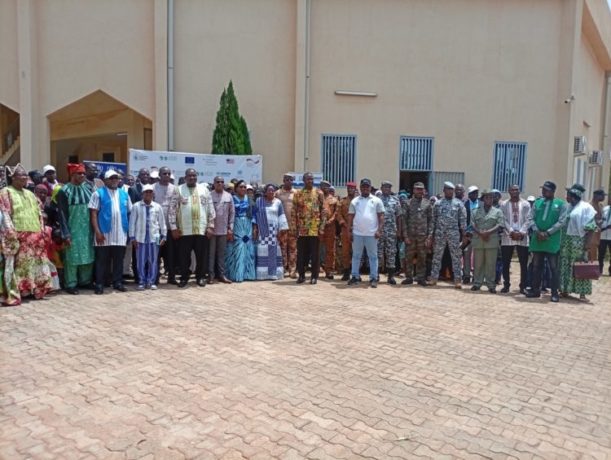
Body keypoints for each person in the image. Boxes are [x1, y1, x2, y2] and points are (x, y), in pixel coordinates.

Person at [0, 164, 53, 306]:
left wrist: (41, 230)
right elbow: (5, 214)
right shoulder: (5, 192)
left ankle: (34, 290)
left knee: (34, 266)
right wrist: (11, 233)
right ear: (13, 178)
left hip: (35, 237)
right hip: (18, 237)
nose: (24, 179)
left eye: (25, 176)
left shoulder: (30, 194)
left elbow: (39, 213)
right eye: (21, 176)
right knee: (19, 266)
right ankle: (17, 291)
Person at [168, 168, 215, 288]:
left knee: (202, 256)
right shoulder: (178, 189)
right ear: (185, 177)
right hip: (184, 230)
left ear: (196, 177)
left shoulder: (204, 189)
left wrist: (210, 226)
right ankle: (184, 277)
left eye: (194, 175)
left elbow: (210, 208)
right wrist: (173, 227)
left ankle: (200, 277)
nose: (192, 177)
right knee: (184, 257)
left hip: (201, 229)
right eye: (189, 175)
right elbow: (172, 210)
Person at [89, 169, 132, 295]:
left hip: (120, 233)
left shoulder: (124, 194)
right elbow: (93, 214)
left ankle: (118, 282)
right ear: (105, 180)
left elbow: (129, 212)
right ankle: (100, 284)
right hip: (104, 234)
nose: (114, 180)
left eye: (116, 178)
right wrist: (97, 232)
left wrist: (128, 232)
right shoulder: (98, 193)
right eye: (111, 178)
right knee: (102, 261)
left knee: (119, 260)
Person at [56, 163, 95, 295]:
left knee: (88, 256)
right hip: (73, 230)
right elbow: (62, 214)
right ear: (72, 174)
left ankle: (85, 281)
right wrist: (65, 234)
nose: (82, 175)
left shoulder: (89, 188)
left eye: (83, 173)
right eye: (79, 173)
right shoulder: (64, 191)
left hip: (88, 230)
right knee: (72, 257)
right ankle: (70, 283)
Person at [526, 181, 567, 302]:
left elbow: (562, 221)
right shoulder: (537, 202)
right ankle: (535, 290)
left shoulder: (561, 204)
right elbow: (530, 218)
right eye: (543, 189)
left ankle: (554, 293)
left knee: (553, 267)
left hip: (552, 240)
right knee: (536, 266)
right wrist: (537, 231)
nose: (543, 192)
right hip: (537, 238)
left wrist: (548, 232)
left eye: (546, 190)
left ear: (552, 191)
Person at [559, 187, 597, 300]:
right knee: (566, 265)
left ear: (573, 197)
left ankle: (582, 292)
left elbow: (591, 227)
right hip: (566, 242)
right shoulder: (568, 207)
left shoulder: (586, 208)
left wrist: (588, 244)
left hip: (579, 242)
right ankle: (565, 289)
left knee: (580, 265)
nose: (566, 197)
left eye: (568, 195)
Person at [347, 178, 385, 288]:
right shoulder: (355, 201)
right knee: (356, 256)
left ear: (370, 187)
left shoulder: (377, 200)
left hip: (372, 234)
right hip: (357, 233)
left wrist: (379, 230)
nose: (365, 188)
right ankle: (355, 276)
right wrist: (349, 231)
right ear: (360, 187)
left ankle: (373, 278)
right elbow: (350, 217)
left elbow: (381, 217)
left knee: (373, 257)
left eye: (367, 186)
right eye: (363, 186)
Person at [129, 184, 167, 290]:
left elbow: (162, 223)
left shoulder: (157, 207)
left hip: (155, 238)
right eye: (146, 192)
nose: (148, 194)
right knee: (140, 261)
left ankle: (151, 281)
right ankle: (141, 281)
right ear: (142, 194)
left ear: (153, 194)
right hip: (140, 238)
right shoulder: (136, 206)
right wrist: (132, 238)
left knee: (153, 261)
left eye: (150, 192)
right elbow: (132, 223)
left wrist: (164, 236)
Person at [429, 182, 466, 288]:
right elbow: (433, 220)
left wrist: (464, 234)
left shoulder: (458, 204)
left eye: (451, 190)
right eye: (448, 189)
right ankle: (434, 278)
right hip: (440, 234)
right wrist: (431, 235)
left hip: (454, 234)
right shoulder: (437, 204)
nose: (450, 191)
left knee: (456, 257)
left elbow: (462, 220)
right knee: (437, 256)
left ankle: (458, 280)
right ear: (444, 190)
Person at [292, 172, 326, 285]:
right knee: (301, 254)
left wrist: (321, 228)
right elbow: (293, 211)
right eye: (308, 179)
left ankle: (314, 276)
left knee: (315, 254)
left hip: (314, 229)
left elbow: (323, 211)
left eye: (311, 179)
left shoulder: (319, 193)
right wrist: (294, 227)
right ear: (303, 180)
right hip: (302, 229)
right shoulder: (298, 194)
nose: (310, 181)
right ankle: (301, 275)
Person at [470, 189, 504, 293]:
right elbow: (472, 224)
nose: (489, 199)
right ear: (483, 199)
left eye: (491, 197)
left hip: (491, 240)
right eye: (487, 197)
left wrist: (488, 232)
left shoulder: (498, 211)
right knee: (478, 264)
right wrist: (480, 233)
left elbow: (500, 224)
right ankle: (477, 283)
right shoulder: (475, 211)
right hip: (479, 239)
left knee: (491, 264)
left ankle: (491, 284)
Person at [499, 184, 530, 294]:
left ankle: (523, 286)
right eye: (512, 190)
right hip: (508, 236)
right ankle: (506, 285)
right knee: (506, 263)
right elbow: (503, 219)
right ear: (509, 191)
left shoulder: (526, 204)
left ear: (519, 191)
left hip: (522, 236)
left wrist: (521, 232)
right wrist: (511, 231)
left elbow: (529, 219)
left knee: (523, 264)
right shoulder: (504, 204)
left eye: (516, 190)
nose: (514, 192)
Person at [253, 184, 289, 280]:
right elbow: (255, 215)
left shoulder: (278, 202)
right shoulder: (259, 201)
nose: (271, 192)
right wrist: (255, 228)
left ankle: (273, 273)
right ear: (265, 192)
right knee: (263, 251)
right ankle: (262, 274)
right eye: (269, 190)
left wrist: (281, 230)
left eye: (273, 190)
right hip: (262, 231)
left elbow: (281, 216)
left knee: (273, 251)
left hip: (274, 231)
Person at [401, 182, 432, 286]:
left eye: (421, 189)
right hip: (410, 236)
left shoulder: (427, 204)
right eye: (417, 189)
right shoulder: (408, 203)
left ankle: (420, 278)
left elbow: (431, 221)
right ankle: (409, 277)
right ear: (413, 190)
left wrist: (429, 236)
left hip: (422, 236)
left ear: (424, 191)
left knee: (422, 258)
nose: (419, 191)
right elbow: (404, 220)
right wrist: (405, 236)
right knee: (408, 257)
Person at [225, 180, 256, 282]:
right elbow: (228, 214)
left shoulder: (249, 199)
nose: (243, 189)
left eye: (244, 187)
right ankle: (237, 275)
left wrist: (254, 228)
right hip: (236, 225)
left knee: (248, 248)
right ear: (236, 189)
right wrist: (229, 228)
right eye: (241, 187)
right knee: (237, 248)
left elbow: (254, 214)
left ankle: (248, 274)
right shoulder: (232, 199)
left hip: (248, 225)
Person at [208, 176, 234, 284]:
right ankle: (210, 276)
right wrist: (208, 228)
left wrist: (230, 228)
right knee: (211, 254)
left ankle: (221, 275)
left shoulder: (228, 196)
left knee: (221, 254)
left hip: (223, 230)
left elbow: (232, 213)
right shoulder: (209, 195)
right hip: (212, 230)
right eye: (217, 182)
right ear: (214, 183)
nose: (220, 183)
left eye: (222, 182)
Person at [153, 166, 177, 284]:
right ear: (159, 175)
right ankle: (155, 277)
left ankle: (171, 277)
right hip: (156, 228)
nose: (167, 175)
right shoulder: (153, 187)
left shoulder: (175, 189)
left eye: (168, 173)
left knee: (171, 254)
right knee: (156, 254)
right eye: (164, 173)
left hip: (170, 228)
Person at [377, 181, 401, 284]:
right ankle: (376, 275)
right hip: (379, 231)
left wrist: (399, 230)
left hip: (391, 231)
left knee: (391, 253)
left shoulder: (395, 200)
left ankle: (391, 276)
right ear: (381, 188)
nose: (387, 189)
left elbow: (399, 216)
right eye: (385, 187)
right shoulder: (376, 200)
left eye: (389, 187)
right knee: (378, 253)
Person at [275, 174, 297, 278]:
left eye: (290, 180)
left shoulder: (296, 193)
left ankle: (292, 270)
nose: (289, 181)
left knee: (293, 248)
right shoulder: (278, 193)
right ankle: (283, 268)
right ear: (283, 181)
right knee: (282, 247)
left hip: (293, 225)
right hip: (282, 225)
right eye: (287, 180)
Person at [337, 182, 357, 280]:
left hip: (357, 229)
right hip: (345, 229)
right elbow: (338, 214)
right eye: (349, 188)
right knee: (345, 251)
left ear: (355, 189)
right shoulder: (342, 201)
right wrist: (343, 223)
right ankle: (346, 272)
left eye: (352, 188)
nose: (350, 190)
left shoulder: (359, 201)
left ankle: (355, 272)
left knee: (356, 252)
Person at [320, 180, 338, 280]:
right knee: (317, 249)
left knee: (330, 250)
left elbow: (336, 212)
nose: (325, 188)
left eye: (327, 186)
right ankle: (316, 269)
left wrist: (331, 220)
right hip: (318, 227)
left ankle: (329, 270)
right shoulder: (317, 198)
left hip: (330, 227)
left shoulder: (334, 200)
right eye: (323, 186)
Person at [462, 185, 479, 283]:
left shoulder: (481, 204)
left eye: (476, 192)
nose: (475, 194)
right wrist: (464, 233)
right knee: (466, 255)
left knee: (477, 256)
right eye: (473, 193)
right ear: (469, 195)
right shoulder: (465, 204)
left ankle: (476, 276)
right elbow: (463, 219)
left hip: (478, 233)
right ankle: (466, 275)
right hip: (468, 234)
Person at [589, 189, 606, 262]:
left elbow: (602, 217)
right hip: (591, 232)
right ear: (596, 196)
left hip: (598, 232)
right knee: (590, 252)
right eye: (602, 195)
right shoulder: (589, 205)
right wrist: (598, 221)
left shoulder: (601, 206)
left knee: (595, 252)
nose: (604, 197)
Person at [599, 192, 611, 275]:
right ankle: (599, 270)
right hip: (602, 235)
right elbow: (601, 219)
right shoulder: (605, 209)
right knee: (601, 254)